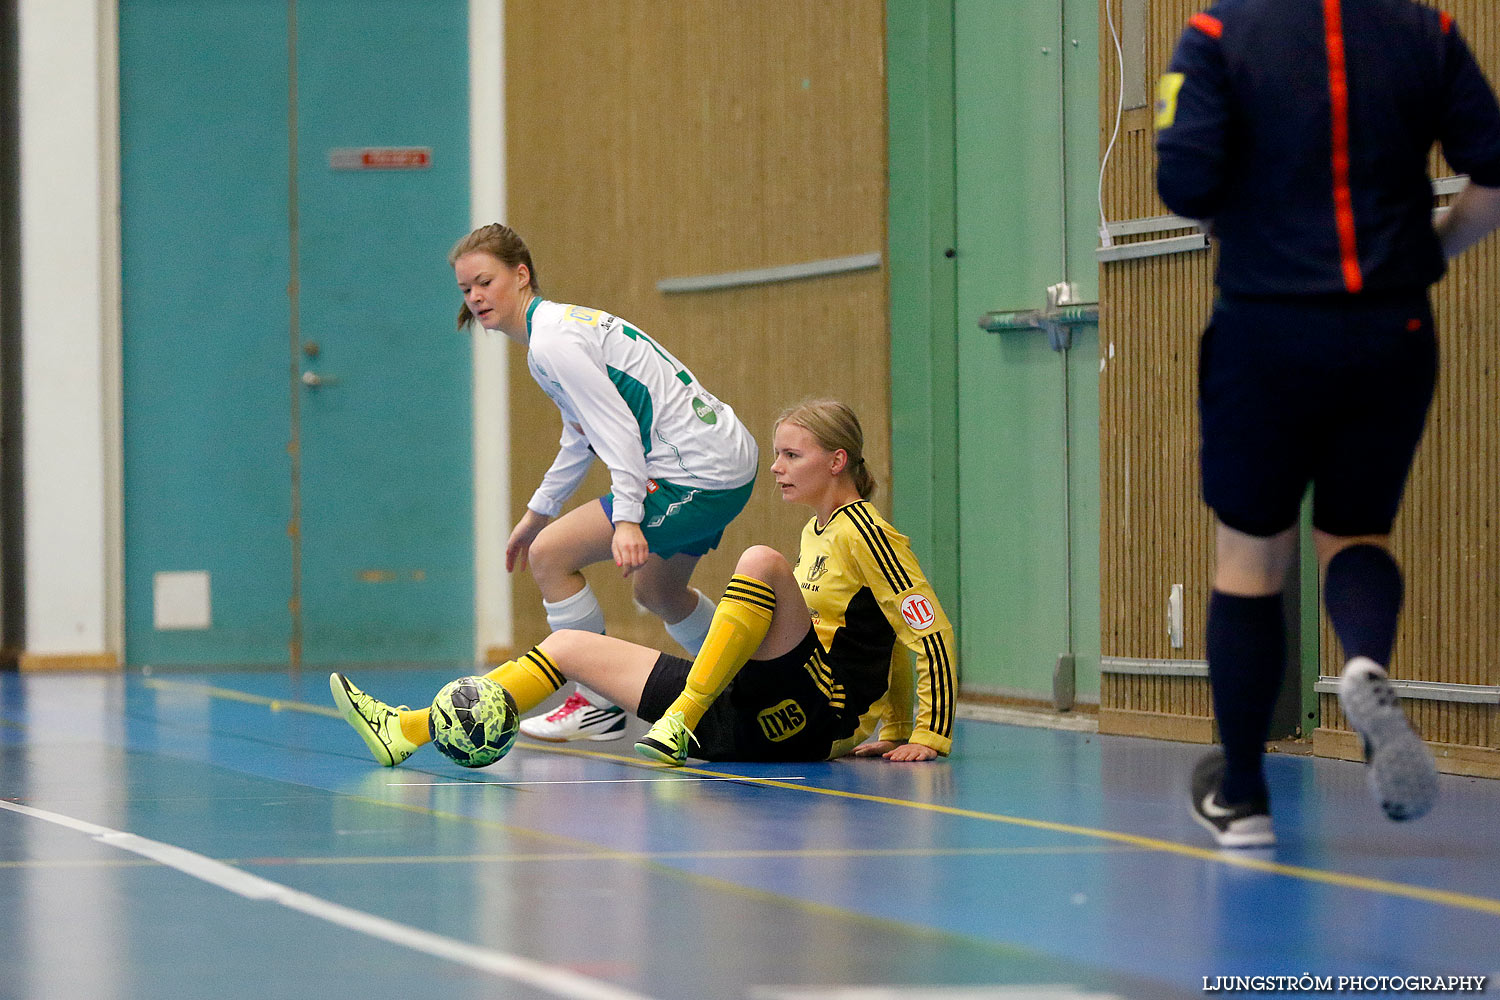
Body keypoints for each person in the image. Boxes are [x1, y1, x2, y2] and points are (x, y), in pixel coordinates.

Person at [1155, 0, 1500, 848]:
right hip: (1392, 326)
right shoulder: (1429, 32)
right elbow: (1492, 174)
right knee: (1355, 531)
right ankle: (1365, 665)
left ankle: (1241, 797)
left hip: (1266, 326)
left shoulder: (1215, 34)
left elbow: (1185, 182)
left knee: (1251, 552)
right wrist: (1432, 250)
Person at [330, 400, 956, 767]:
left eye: (792, 455)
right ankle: (407, 731)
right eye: (777, 454)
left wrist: (923, 730)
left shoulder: (868, 534)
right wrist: (893, 725)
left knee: (760, 560)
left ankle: (682, 715)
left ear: (837, 461)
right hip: (743, 714)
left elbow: (922, 630)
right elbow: (876, 633)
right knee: (568, 649)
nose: (776, 467)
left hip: (806, 723)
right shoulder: (819, 531)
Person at [449, 224, 759, 743]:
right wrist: (536, 513)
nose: (476, 297)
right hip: (722, 461)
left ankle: (597, 702)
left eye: (484, 281)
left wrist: (628, 519)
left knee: (550, 557)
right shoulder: (551, 337)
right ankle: (752, 682)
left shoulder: (552, 341)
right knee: (657, 590)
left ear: (521, 275)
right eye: (465, 289)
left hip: (698, 473)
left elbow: (617, 430)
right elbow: (582, 437)